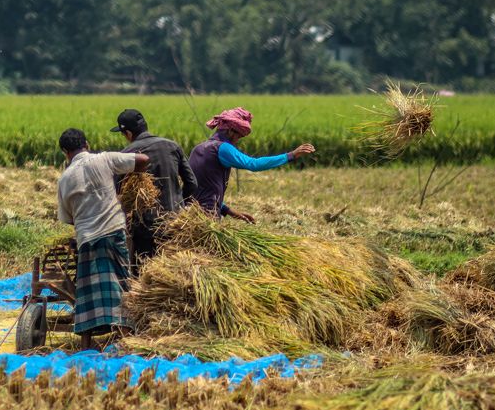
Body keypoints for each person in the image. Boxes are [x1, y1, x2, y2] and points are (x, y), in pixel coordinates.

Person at [57, 128, 149, 348]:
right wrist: (130, 182)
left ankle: (86, 344)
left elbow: (68, 218)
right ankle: (124, 337)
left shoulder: (65, 179)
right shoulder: (104, 159)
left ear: (65, 152)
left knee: (87, 291)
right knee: (119, 282)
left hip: (87, 238)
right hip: (113, 231)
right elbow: (143, 159)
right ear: (86, 144)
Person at [189, 107, 315, 221]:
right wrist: (290, 155)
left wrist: (229, 211)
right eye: (239, 136)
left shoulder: (198, 149)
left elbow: (202, 190)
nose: (238, 140)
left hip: (190, 215)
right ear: (231, 131)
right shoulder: (222, 148)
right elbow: (253, 164)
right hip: (207, 219)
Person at [111, 108, 197, 271]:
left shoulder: (127, 154)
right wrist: (178, 203)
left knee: (144, 272)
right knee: (174, 270)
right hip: (175, 222)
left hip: (144, 227)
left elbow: (117, 192)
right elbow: (192, 183)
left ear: (128, 133)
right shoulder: (172, 146)